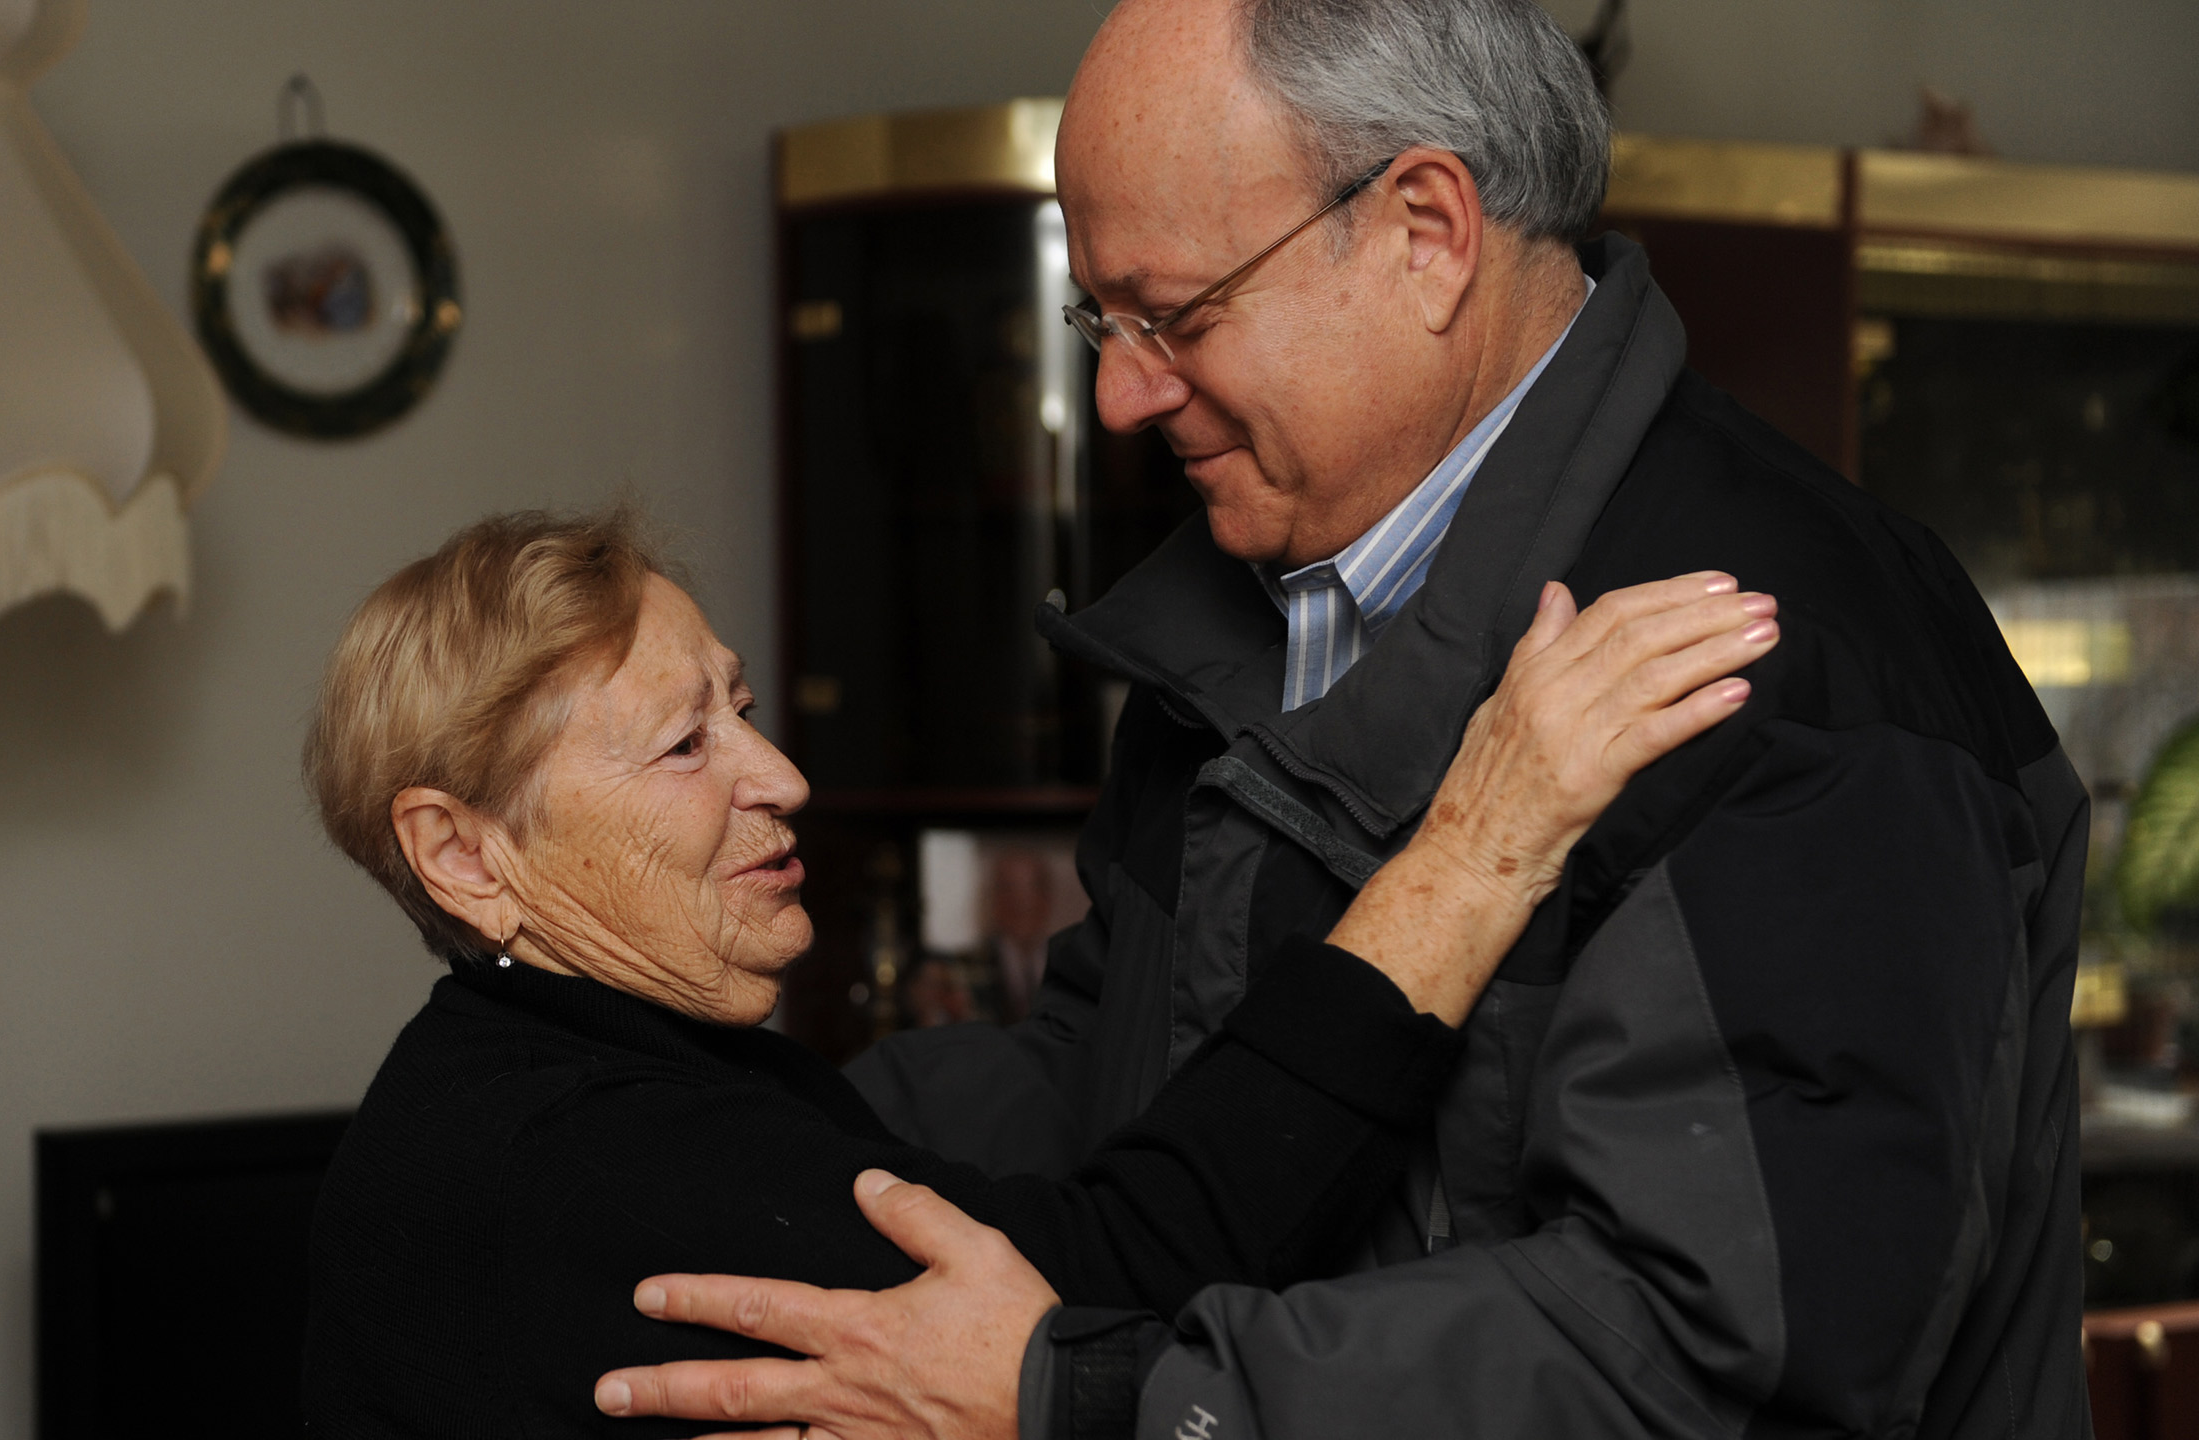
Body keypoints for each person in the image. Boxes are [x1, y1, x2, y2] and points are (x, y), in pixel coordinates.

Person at [593, 1, 2085, 1437]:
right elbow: (1117, 1091)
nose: (1118, 397)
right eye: (1097, 320)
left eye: (1172, 315)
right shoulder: (1259, 598)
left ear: (1426, 234)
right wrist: (690, 1128)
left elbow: (1713, 1357)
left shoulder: (1772, 652)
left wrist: (1107, 1400)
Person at [297, 511, 1777, 1437]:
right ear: (466, 855)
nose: (782, 777)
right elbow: (1119, 1273)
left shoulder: (588, 1068)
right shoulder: (580, 1159)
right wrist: (1480, 844)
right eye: (688, 746)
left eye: (742, 710)